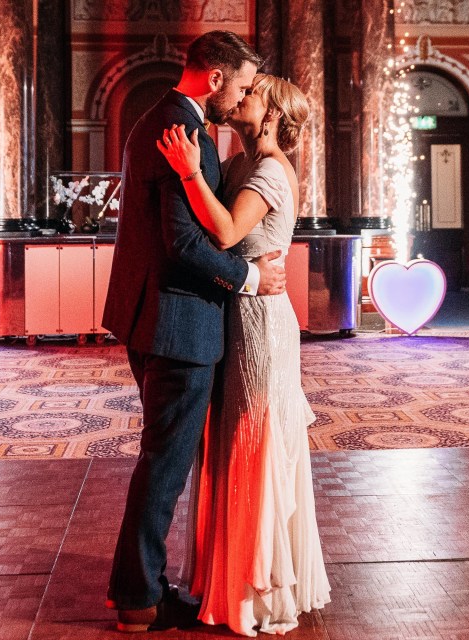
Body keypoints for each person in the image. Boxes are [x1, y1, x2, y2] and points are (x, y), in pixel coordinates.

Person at [101, 31, 287, 633]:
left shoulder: (160, 117)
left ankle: (141, 586)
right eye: (238, 85)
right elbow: (184, 243)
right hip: (179, 320)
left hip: (150, 315)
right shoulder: (187, 134)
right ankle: (138, 599)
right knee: (165, 464)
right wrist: (251, 278)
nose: (239, 97)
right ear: (214, 78)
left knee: (163, 459)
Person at [157, 73, 331, 636]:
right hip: (232, 312)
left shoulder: (271, 170)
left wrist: (187, 172)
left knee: (252, 437)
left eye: (252, 92)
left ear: (273, 113)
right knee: (228, 439)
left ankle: (255, 590)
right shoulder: (233, 167)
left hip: (260, 323)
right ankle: (224, 576)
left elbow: (228, 232)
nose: (240, 96)